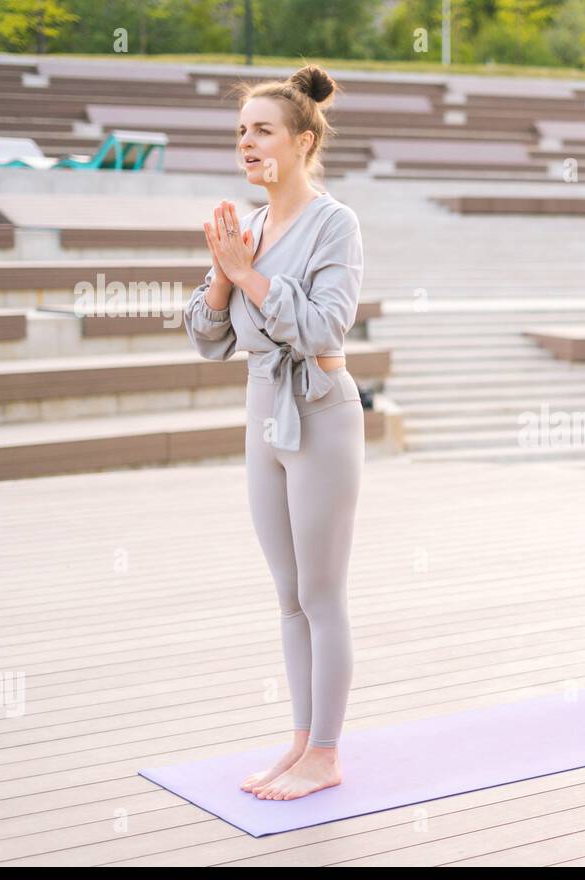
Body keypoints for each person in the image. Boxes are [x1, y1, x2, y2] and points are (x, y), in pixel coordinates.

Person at [182, 63, 364, 801]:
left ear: (302, 140)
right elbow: (206, 337)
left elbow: (326, 326)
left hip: (320, 409)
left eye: (261, 131)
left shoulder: (335, 223)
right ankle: (299, 741)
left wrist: (250, 278)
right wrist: (224, 277)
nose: (247, 144)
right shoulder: (247, 227)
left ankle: (326, 752)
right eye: (240, 133)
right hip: (263, 408)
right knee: (287, 595)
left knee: (322, 595)